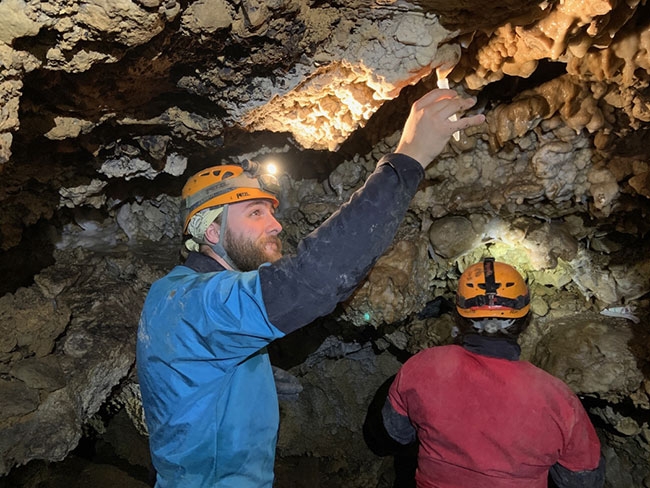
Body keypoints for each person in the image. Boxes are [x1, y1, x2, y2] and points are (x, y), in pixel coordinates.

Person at [135, 88, 485, 488]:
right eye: (254, 213)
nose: (276, 224)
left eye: (270, 211)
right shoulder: (195, 302)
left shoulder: (178, 295)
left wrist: (248, 378)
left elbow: (193, 368)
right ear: (211, 230)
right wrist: (410, 157)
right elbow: (311, 280)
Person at [379, 257, 606, 488]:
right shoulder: (558, 401)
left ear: (458, 317)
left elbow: (396, 433)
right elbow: (582, 481)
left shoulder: (422, 366)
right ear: (526, 321)